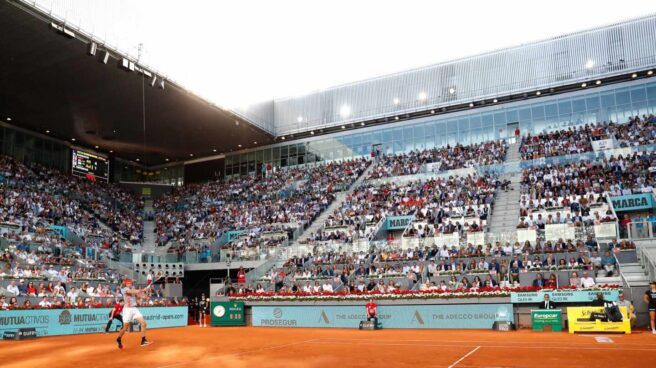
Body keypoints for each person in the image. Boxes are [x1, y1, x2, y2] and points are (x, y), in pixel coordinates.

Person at [116, 279, 152, 348]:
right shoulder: (124, 289)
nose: (130, 284)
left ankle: (143, 340)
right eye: (128, 283)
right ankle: (118, 339)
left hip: (134, 309)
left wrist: (146, 295)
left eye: (130, 283)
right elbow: (131, 291)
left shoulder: (132, 289)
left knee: (143, 323)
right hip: (127, 310)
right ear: (126, 284)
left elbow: (138, 296)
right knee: (125, 328)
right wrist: (142, 290)